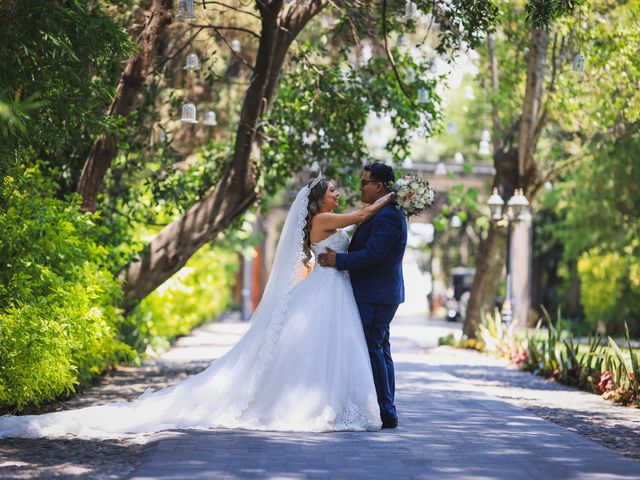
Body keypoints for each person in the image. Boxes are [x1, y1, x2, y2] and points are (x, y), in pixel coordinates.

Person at [0, 175, 395, 438]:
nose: (338, 194)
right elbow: (361, 214)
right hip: (328, 290)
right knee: (319, 351)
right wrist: (397, 197)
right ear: (319, 199)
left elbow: (355, 222)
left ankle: (327, 403)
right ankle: (319, 406)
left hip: (331, 289)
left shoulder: (325, 218)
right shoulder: (324, 218)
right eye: (332, 191)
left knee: (321, 351)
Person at [318, 163, 407, 429]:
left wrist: (338, 260)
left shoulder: (389, 216)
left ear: (378, 186)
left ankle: (386, 410)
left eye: (363, 182)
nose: (360, 187)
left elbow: (373, 254)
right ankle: (386, 406)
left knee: (373, 348)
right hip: (375, 292)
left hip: (376, 293)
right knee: (380, 348)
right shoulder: (382, 212)